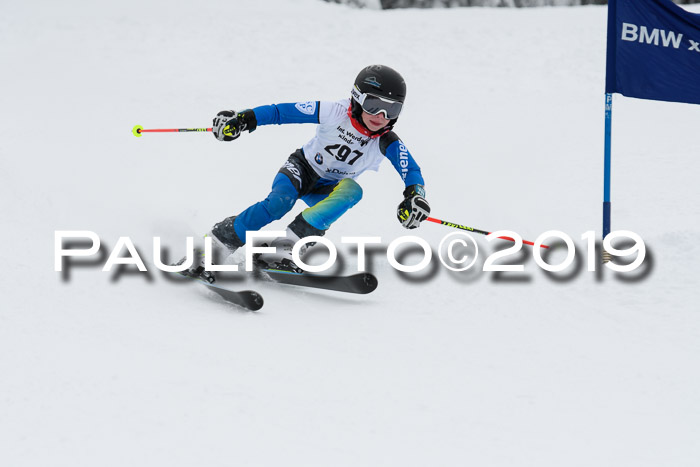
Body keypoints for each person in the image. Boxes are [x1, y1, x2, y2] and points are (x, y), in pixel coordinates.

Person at [181, 65, 430, 283]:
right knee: (279, 203)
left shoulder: (387, 141)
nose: (381, 117)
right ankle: (214, 244)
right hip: (301, 169)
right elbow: (281, 112)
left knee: (353, 191)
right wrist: (244, 119)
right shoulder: (334, 111)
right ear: (356, 99)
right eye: (374, 105)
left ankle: (285, 247)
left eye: (392, 110)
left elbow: (412, 171)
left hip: (327, 188)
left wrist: (415, 196)